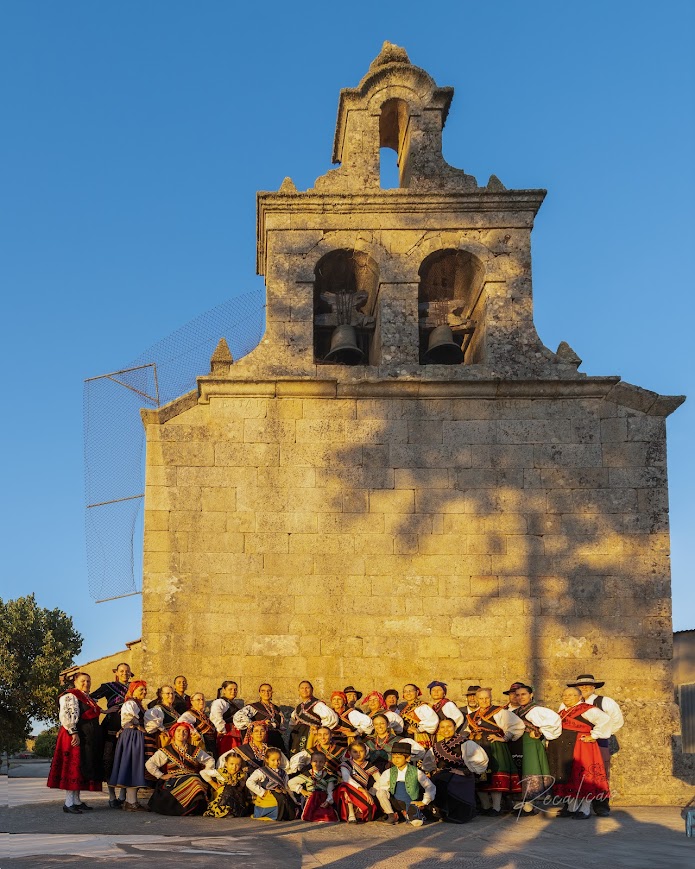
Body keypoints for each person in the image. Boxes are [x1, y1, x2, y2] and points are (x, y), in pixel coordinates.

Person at [547, 686, 611, 819]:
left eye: (570, 695)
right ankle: (572, 807)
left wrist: (593, 735)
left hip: (581, 746)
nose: (566, 697)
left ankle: (585, 809)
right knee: (568, 775)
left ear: (579, 697)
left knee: (584, 775)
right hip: (564, 747)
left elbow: (604, 719)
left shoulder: (586, 709)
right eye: (564, 695)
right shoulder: (563, 711)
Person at [566, 673, 623, 817]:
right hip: (576, 742)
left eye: (588, 685)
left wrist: (598, 734)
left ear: (594, 687)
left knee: (598, 773)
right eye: (581, 685)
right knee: (575, 772)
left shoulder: (605, 702)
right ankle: (573, 805)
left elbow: (616, 721)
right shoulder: (568, 703)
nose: (584, 687)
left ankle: (601, 805)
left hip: (599, 741)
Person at [47, 672, 104, 814]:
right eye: (83, 681)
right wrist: (73, 732)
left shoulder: (87, 698)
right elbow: (66, 714)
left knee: (80, 768)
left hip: (85, 737)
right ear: (75, 682)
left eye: (88, 681)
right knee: (72, 768)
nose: (86, 683)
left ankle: (77, 801)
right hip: (73, 735)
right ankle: (68, 803)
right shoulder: (70, 695)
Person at [505, 683, 561, 817]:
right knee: (521, 771)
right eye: (517, 695)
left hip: (530, 744)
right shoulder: (516, 712)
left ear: (531, 695)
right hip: (518, 743)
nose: (520, 697)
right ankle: (523, 805)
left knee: (531, 770)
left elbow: (554, 720)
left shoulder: (535, 710)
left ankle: (529, 806)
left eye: (523, 694)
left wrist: (540, 731)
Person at [466, 687, 524, 816]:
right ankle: (486, 806)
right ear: (476, 699)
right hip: (477, 748)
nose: (484, 700)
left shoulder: (499, 712)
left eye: (487, 698)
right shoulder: (471, 716)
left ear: (491, 698)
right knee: (479, 777)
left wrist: (503, 738)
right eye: (481, 698)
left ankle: (496, 807)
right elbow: (468, 731)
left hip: (494, 747)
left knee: (494, 777)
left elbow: (517, 725)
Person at [421, 718, 488, 824]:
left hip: (462, 775)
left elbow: (481, 760)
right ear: (439, 730)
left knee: (449, 781)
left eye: (449, 726)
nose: (446, 729)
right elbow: (428, 764)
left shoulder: (466, 743)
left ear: (455, 728)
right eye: (442, 727)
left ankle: (459, 814)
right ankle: (439, 812)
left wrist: (466, 771)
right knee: (433, 781)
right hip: (443, 774)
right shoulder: (436, 746)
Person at [145, 721, 216, 816]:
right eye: (178, 731)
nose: (181, 733)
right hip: (174, 779)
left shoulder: (195, 750)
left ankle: (192, 808)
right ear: (173, 733)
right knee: (195, 781)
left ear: (188, 734)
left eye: (185, 731)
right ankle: (189, 809)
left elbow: (210, 760)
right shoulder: (167, 750)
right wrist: (161, 776)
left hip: (192, 776)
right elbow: (150, 764)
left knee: (196, 780)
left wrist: (206, 773)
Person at [90, 662, 132, 808]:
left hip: (128, 729)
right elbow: (90, 699)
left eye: (127, 671)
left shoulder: (134, 687)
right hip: (110, 728)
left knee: (126, 760)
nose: (124, 674)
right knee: (109, 760)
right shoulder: (108, 687)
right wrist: (104, 711)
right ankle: (112, 795)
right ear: (117, 672)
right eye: (122, 671)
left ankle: (123, 794)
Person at [109, 680, 149, 811]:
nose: (144, 692)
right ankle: (131, 802)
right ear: (132, 691)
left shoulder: (138, 704)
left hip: (134, 736)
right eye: (140, 690)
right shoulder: (130, 703)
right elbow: (129, 719)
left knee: (135, 766)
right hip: (132, 736)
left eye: (144, 690)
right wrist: (141, 726)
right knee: (133, 765)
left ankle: (131, 801)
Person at [375, 741, 435, 826]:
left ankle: (411, 813)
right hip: (395, 801)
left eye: (399, 757)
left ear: (407, 758)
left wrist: (424, 802)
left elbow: (430, 786)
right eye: (394, 757)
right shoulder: (388, 772)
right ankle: (391, 815)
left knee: (416, 822)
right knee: (380, 792)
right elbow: (383, 788)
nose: (395, 760)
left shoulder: (416, 772)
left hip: (410, 801)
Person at [333, 740, 380, 823]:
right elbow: (347, 778)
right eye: (355, 752)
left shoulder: (369, 765)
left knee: (370, 806)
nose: (358, 754)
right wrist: (362, 790)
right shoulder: (346, 764)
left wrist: (373, 790)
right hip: (351, 790)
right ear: (350, 753)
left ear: (365, 752)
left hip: (364, 792)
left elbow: (380, 780)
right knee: (345, 786)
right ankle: (351, 813)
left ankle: (360, 812)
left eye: (361, 751)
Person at [246, 747, 298, 821]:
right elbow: (249, 782)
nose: (276, 762)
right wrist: (262, 792)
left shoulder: (284, 773)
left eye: (278, 760)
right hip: (268, 796)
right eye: (273, 760)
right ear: (267, 760)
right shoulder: (261, 771)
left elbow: (287, 787)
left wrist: (294, 799)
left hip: (282, 794)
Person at [288, 681, 338, 756]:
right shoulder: (298, 707)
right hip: (297, 737)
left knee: (309, 756)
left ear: (312, 690)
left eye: (307, 688)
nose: (304, 690)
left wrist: (319, 731)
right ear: (298, 691)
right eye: (302, 688)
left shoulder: (317, 704)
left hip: (311, 736)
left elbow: (332, 718)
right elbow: (292, 723)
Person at [233, 683, 286, 751]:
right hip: (260, 741)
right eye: (263, 691)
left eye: (269, 691)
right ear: (260, 693)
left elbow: (282, 727)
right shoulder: (253, 707)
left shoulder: (277, 709)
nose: (266, 693)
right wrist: (258, 723)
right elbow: (238, 716)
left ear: (272, 692)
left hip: (276, 741)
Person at [289, 750, 339, 822]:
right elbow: (291, 782)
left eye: (321, 762)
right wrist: (303, 791)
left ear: (325, 763)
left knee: (327, 815)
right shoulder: (307, 774)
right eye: (315, 761)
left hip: (323, 800)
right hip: (310, 798)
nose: (318, 764)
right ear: (311, 762)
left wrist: (328, 801)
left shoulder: (328, 777)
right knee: (309, 813)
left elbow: (330, 791)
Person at [144, 685, 179, 779]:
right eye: (167, 693)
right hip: (165, 742)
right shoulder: (157, 709)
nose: (171, 696)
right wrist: (163, 730)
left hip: (175, 741)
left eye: (172, 693)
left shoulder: (173, 710)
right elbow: (151, 726)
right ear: (161, 695)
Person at [204, 752, 252, 818]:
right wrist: (213, 783)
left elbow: (242, 788)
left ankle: (234, 811)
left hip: (235, 797)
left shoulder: (242, 775)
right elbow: (203, 773)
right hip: (221, 797)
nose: (234, 767)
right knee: (228, 788)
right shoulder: (220, 772)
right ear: (226, 764)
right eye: (231, 764)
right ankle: (224, 811)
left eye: (237, 764)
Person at [178, 692, 217, 758]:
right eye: (198, 700)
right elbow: (181, 721)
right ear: (192, 702)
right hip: (202, 744)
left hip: (211, 743)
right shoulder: (190, 714)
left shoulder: (203, 714)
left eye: (203, 699)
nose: (201, 701)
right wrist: (194, 732)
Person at [400, 684, 439, 750]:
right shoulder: (404, 709)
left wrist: (418, 729)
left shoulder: (422, 706)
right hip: (408, 738)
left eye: (411, 691)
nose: (408, 693)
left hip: (419, 738)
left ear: (417, 692)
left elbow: (433, 721)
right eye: (405, 691)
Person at [210, 680, 243, 756]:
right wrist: (222, 731)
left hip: (234, 734)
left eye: (235, 689)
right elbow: (216, 717)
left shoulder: (231, 703)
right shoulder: (220, 702)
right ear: (224, 690)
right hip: (227, 735)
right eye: (230, 689)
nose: (233, 691)